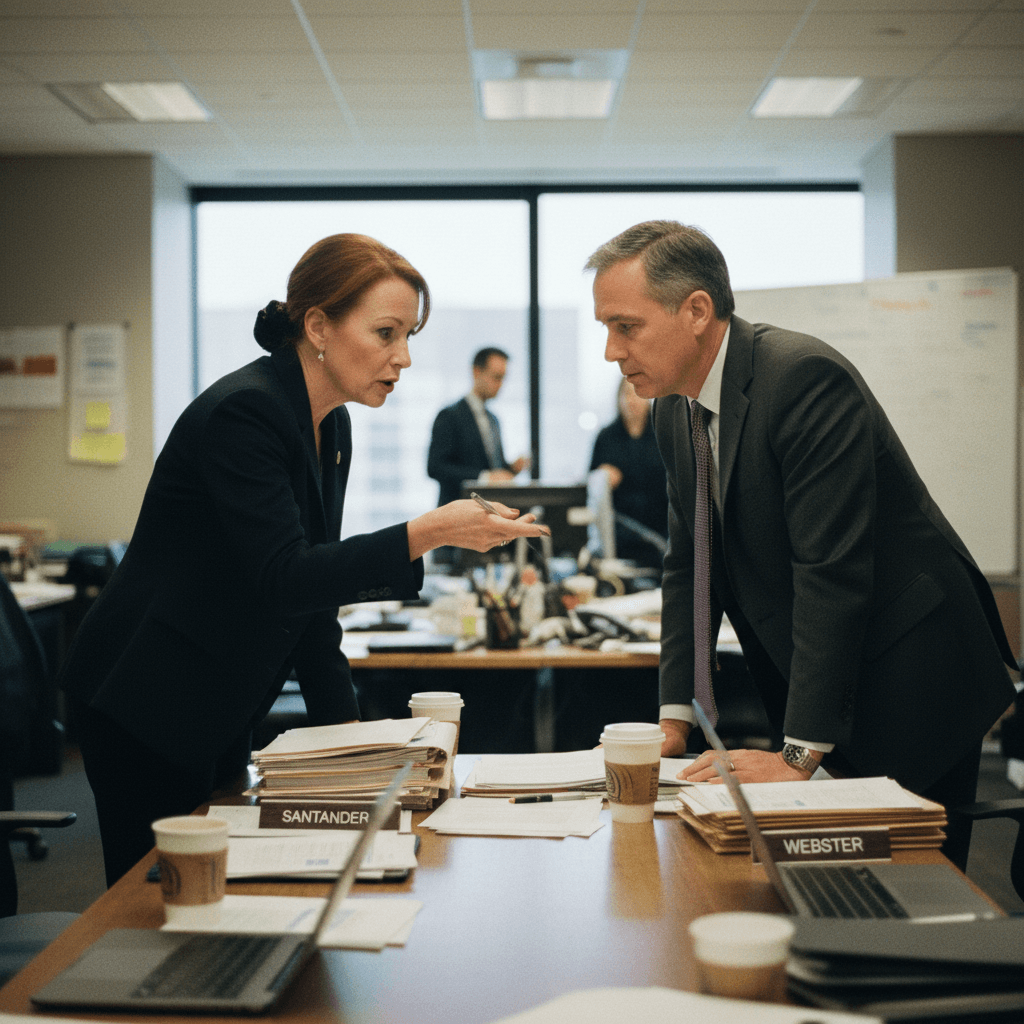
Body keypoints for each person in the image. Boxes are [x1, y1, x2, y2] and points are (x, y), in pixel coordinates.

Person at [60, 234, 548, 886]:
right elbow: (284, 576)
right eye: (386, 332)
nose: (403, 357)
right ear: (318, 325)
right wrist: (425, 533)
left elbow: (313, 605)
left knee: (226, 890)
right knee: (159, 902)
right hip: (148, 693)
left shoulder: (328, 422)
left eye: (410, 335)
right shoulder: (248, 411)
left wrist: (349, 755)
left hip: (222, 689)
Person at [587, 220, 1016, 869]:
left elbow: (831, 569)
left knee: (913, 882)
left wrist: (796, 756)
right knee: (838, 875)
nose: (611, 352)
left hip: (914, 667)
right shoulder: (676, 408)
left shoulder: (803, 379)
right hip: (836, 672)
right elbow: (689, 567)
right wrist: (674, 713)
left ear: (696, 311)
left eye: (626, 326)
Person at [427, 347, 530, 507]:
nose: (500, 384)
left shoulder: (494, 419)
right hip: (457, 513)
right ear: (476, 372)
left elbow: (493, 468)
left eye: (503, 378)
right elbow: (436, 468)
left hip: (489, 512)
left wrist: (512, 469)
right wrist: (484, 477)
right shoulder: (450, 416)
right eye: (496, 377)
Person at [589, 377, 668, 568]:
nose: (632, 400)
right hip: (620, 530)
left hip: (659, 528)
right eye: (626, 394)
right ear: (618, 398)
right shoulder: (606, 436)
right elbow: (591, 481)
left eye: (637, 394)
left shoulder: (663, 434)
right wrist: (603, 477)